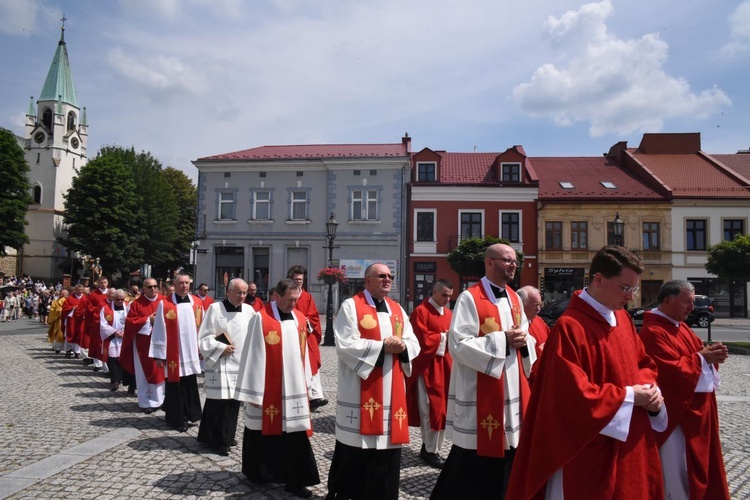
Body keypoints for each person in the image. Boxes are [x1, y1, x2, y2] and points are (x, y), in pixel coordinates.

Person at [506, 246, 667, 500]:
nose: (631, 297)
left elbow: (643, 364)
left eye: (634, 288)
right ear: (599, 279)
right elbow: (570, 395)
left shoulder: (622, 319)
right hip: (585, 448)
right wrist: (628, 396)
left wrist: (650, 390)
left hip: (629, 441)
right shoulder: (570, 326)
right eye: (625, 288)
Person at [431, 244, 537, 499]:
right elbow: (458, 345)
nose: (513, 265)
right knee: (473, 460)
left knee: (509, 454)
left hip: (512, 387)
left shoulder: (514, 298)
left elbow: (526, 336)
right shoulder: (470, 298)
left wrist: (525, 343)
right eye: (507, 260)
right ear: (489, 263)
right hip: (482, 393)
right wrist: (503, 340)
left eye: (515, 261)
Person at [326, 263, 420, 500]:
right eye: (381, 276)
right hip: (361, 389)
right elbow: (345, 344)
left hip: (391, 390)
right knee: (357, 447)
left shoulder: (397, 309)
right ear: (367, 280)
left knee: (387, 449)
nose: (387, 279)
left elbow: (413, 341)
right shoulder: (352, 306)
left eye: (390, 276)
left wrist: (404, 346)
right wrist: (382, 347)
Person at [640, 280, 730, 499]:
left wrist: (711, 355)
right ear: (668, 301)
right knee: (677, 474)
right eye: (687, 303)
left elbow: (697, 354)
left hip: (697, 411)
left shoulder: (681, 327)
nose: (692, 308)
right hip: (677, 418)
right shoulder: (653, 331)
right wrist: (702, 358)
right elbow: (667, 371)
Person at [234, 279, 319, 498]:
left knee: (295, 434)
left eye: (296, 300)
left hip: (294, 389)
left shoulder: (300, 318)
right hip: (268, 389)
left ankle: (296, 480)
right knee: (262, 431)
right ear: (277, 296)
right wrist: (253, 391)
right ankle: (261, 473)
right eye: (290, 300)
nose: (293, 304)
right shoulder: (260, 318)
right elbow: (251, 355)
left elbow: (304, 353)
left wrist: (309, 383)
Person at [197, 278, 254, 456]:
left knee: (234, 403)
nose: (242, 296)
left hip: (240, 365)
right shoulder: (215, 309)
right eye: (238, 292)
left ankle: (224, 436)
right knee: (218, 403)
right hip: (221, 364)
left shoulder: (250, 311)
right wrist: (221, 348)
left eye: (244, 293)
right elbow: (204, 338)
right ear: (228, 292)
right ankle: (219, 440)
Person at [406, 279, 454, 469]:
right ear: (434, 292)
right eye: (444, 295)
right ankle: (430, 451)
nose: (447, 299)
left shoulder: (449, 314)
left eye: (450, 296)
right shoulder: (421, 312)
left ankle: (431, 448)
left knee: (442, 410)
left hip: (445, 367)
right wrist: (444, 337)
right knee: (430, 409)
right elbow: (421, 340)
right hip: (427, 368)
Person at [150, 272, 203, 432]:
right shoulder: (165, 305)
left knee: (190, 384)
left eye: (187, 283)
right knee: (175, 386)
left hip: (191, 352)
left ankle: (191, 414)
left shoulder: (197, 303)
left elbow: (203, 328)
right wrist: (159, 354)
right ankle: (178, 418)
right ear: (175, 284)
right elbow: (159, 329)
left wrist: (202, 348)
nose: (184, 286)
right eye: (181, 283)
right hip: (174, 353)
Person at [121, 278, 165, 410]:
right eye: (149, 287)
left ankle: (162, 400)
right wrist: (148, 320)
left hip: (162, 343)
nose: (153, 289)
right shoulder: (136, 304)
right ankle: (146, 402)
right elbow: (130, 322)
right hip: (143, 344)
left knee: (161, 371)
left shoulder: (164, 301)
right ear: (143, 289)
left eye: (155, 286)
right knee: (144, 373)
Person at [288, 266, 326, 410]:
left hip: (306, 336)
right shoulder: (287, 295)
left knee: (312, 364)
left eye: (301, 279)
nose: (298, 282)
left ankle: (315, 396)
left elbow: (314, 316)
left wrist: (306, 322)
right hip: (291, 335)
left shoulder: (307, 297)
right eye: (296, 279)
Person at [516, 286, 549, 387]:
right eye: (535, 305)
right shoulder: (514, 325)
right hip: (525, 385)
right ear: (522, 304)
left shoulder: (539, 321)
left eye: (540, 305)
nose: (539, 309)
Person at [100, 289, 130, 391]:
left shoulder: (129, 307)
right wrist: (115, 332)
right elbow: (103, 325)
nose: (120, 301)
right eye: (118, 299)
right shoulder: (105, 309)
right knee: (112, 361)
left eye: (122, 299)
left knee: (125, 360)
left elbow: (134, 320)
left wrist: (126, 333)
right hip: (112, 338)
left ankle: (128, 382)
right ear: (113, 298)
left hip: (125, 338)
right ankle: (115, 381)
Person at [85, 277, 111, 374]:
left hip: (110, 321)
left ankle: (108, 364)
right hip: (97, 322)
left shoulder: (111, 293)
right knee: (98, 343)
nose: (103, 284)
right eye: (101, 282)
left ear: (107, 283)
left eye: (105, 282)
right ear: (98, 283)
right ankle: (97, 364)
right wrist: (100, 309)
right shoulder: (93, 295)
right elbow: (89, 308)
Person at [62, 284, 86, 359]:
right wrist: (73, 308)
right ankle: (68, 350)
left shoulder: (85, 298)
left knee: (80, 335)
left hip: (81, 320)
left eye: (81, 290)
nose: (80, 291)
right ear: (75, 290)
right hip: (72, 320)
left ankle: (77, 352)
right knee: (70, 333)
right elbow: (65, 308)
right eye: (78, 290)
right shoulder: (69, 299)